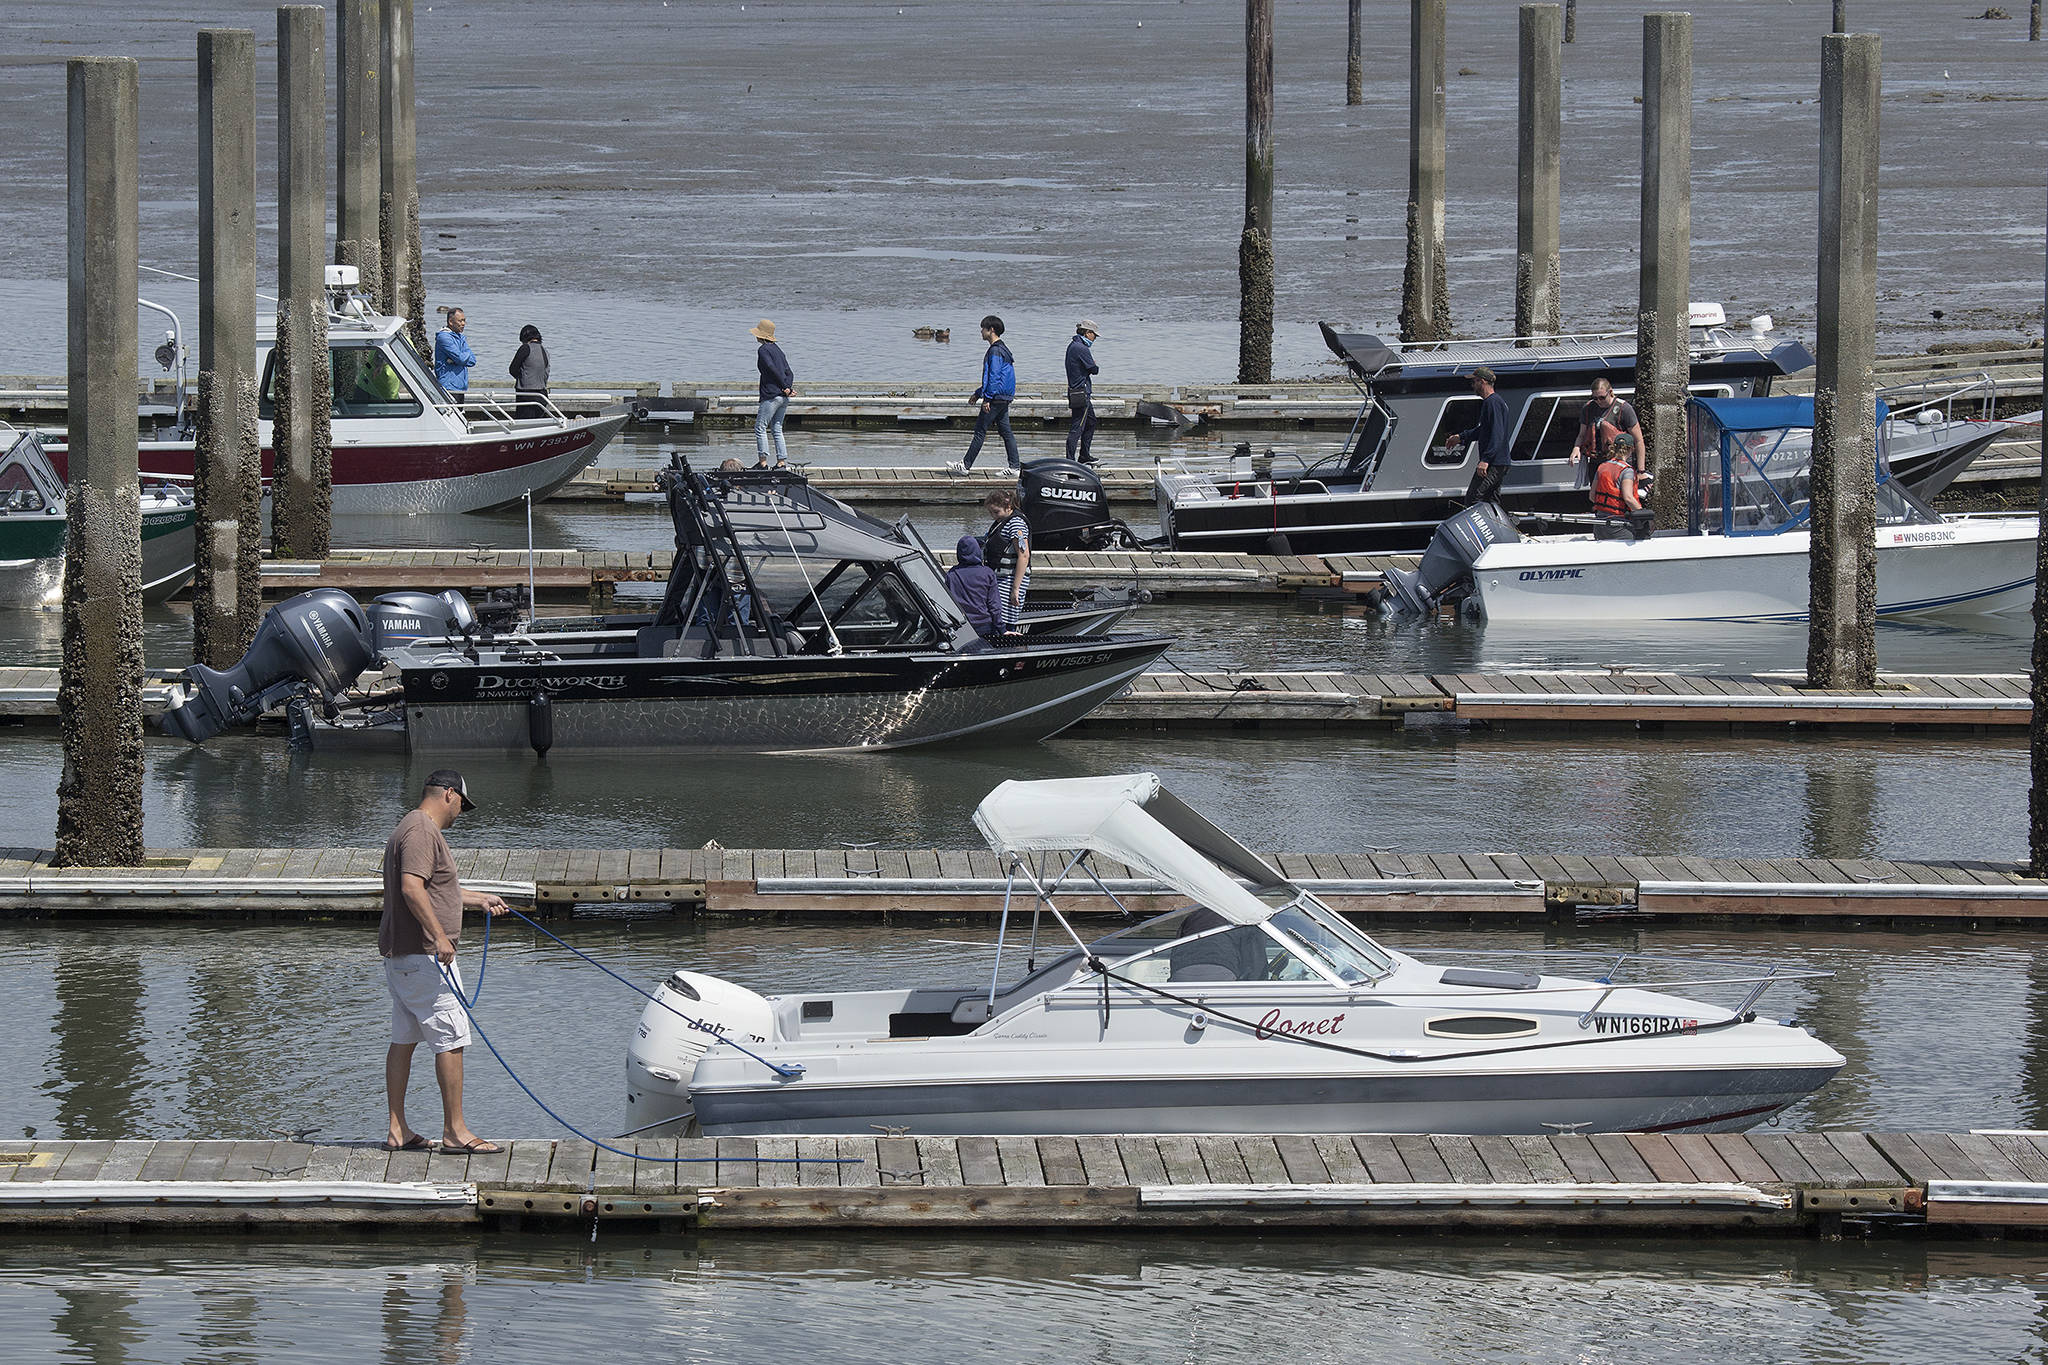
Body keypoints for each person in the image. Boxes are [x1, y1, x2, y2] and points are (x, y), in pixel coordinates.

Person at [380, 770, 509, 1155]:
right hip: (425, 958)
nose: (461, 814)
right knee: (451, 1038)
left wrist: (481, 898)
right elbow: (411, 887)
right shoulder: (422, 831)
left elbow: (439, 890)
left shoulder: (409, 826)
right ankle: (455, 1132)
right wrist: (439, 936)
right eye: (461, 805)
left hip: (403, 958)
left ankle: (398, 1129)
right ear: (449, 794)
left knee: (403, 1040)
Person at [950, 315, 1018, 475]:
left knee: (980, 431)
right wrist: (978, 393)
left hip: (995, 398)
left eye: (983, 328)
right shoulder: (1004, 349)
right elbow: (996, 378)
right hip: (1004, 397)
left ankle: (965, 466)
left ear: (991, 330)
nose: (981, 331)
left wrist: (987, 398)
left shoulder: (995, 351)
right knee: (1006, 432)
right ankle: (1014, 467)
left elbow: (994, 376)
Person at [1444, 366, 1512, 502]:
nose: (1472, 385)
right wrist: (1460, 437)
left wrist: (1485, 460)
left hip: (1494, 463)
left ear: (1482, 382)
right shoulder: (1491, 402)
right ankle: (1497, 523)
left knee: (1473, 498)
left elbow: (1497, 434)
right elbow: (1483, 430)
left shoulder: (1493, 403)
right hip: (1497, 462)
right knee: (1490, 500)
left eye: (1474, 382)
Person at [1569, 378, 1640, 486]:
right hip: (1597, 462)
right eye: (1595, 398)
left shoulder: (1624, 408)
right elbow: (1581, 435)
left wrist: (1641, 470)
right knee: (1597, 496)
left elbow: (1639, 440)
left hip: (1620, 463)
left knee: (1622, 497)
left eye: (1602, 397)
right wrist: (1576, 448)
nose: (1598, 401)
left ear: (1610, 392)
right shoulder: (1588, 408)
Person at [981, 487, 1031, 633]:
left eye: (996, 512)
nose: (993, 516)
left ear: (1008, 507)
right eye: (990, 512)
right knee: (996, 614)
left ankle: (1007, 644)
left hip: (1010, 579)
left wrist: (1015, 589)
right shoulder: (1001, 521)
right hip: (1000, 578)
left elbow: (1024, 555)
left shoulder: (1016, 524)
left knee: (1005, 618)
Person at [943, 534, 1002, 638]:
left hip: (962, 625)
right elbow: (994, 604)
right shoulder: (988, 573)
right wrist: (1001, 628)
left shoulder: (951, 574)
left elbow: (947, 602)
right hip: (984, 625)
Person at [752, 319, 794, 467]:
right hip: (783, 397)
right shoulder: (778, 350)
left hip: (771, 395)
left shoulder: (763, 350)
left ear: (761, 335)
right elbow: (789, 372)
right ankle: (781, 462)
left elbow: (771, 368)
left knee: (760, 427)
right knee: (777, 428)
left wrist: (784, 387)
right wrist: (788, 388)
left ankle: (763, 463)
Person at [1590, 429, 1647, 537]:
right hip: (1618, 525)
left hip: (1600, 525)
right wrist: (1643, 514)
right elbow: (1628, 498)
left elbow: (1592, 496)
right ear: (1631, 449)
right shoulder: (1627, 471)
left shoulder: (1602, 467)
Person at [1065, 320, 1100, 464]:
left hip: (1077, 392)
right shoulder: (1081, 348)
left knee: (1091, 422)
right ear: (1087, 333)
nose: (1095, 338)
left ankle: (1084, 455)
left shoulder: (1073, 345)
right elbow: (1094, 369)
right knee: (1077, 428)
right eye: (1094, 335)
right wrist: (1094, 365)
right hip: (1081, 394)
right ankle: (1070, 461)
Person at [433, 308, 477, 407]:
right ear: (451, 322)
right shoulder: (444, 337)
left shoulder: (461, 337)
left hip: (461, 386)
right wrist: (461, 358)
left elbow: (472, 361)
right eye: (460, 321)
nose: (463, 324)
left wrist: (457, 359)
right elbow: (461, 359)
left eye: (464, 320)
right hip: (449, 386)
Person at [509, 324, 549, 419]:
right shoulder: (545, 351)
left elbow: (512, 369)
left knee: (524, 423)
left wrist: (523, 377)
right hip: (542, 395)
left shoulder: (526, 348)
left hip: (526, 394)